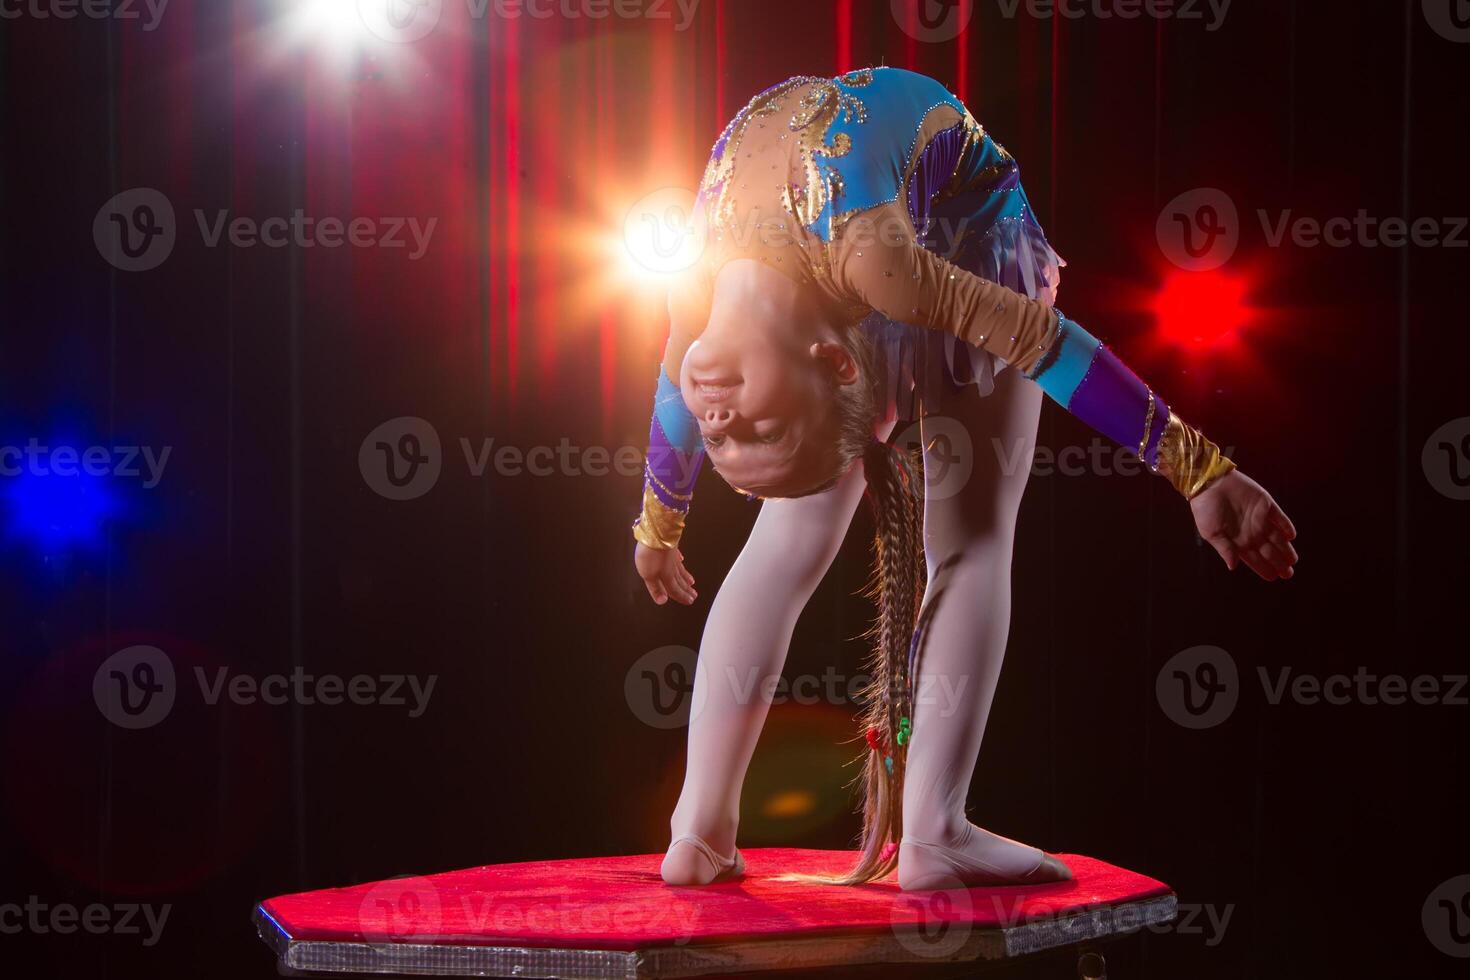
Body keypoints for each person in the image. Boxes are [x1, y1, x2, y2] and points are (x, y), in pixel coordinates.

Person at [631, 67, 1297, 890]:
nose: (719, 422)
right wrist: (659, 525)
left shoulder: (833, 275)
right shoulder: (760, 305)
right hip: (870, 245)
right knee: (841, 533)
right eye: (738, 435)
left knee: (961, 532)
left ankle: (926, 830)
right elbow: (675, 389)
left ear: (839, 361)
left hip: (968, 232)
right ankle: (703, 828)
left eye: (732, 432)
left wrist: (1198, 469)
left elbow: (1039, 339)